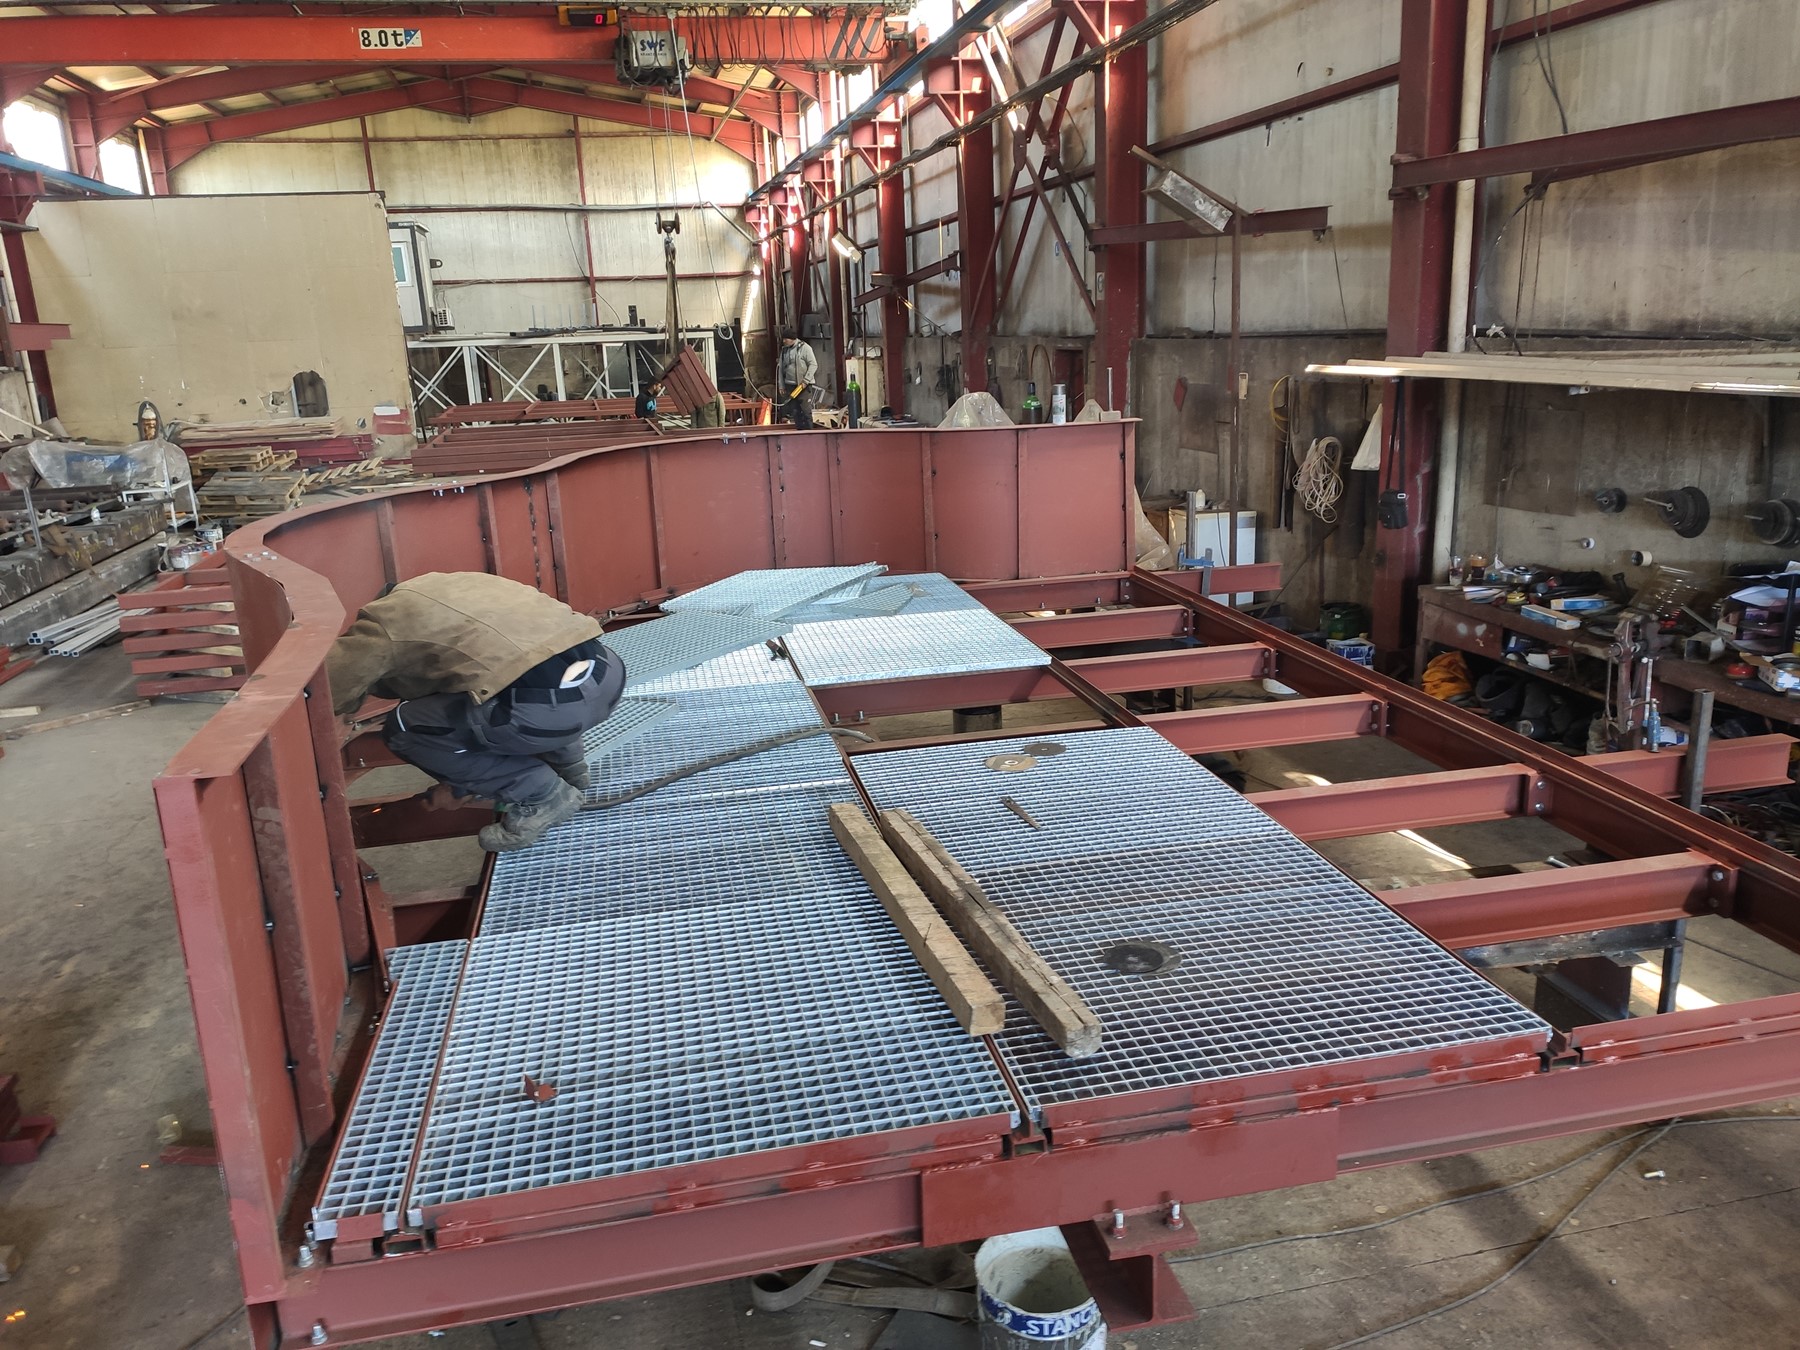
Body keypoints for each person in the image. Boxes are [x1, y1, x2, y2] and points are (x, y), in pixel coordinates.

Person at [327, 572, 626, 852]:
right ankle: (570, 767)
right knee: (527, 672)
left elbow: (330, 690)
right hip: (608, 676)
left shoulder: (381, 626)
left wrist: (463, 780)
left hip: (549, 713)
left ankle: (543, 795)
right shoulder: (458, 586)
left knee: (404, 728)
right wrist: (461, 785)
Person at [778, 330, 817, 430]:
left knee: (806, 410)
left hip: (803, 386)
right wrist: (781, 385)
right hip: (790, 385)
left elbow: (813, 365)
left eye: (786, 339)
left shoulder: (805, 348)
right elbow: (781, 369)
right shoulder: (784, 351)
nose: (784, 341)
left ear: (792, 339)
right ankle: (799, 431)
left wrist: (806, 380)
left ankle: (809, 432)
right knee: (795, 411)